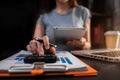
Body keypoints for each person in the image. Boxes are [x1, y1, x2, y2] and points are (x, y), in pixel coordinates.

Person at [26, 0, 91, 56]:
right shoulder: (43, 16)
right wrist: (34, 46)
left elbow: (88, 45)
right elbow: (36, 42)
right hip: (52, 58)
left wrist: (83, 44)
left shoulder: (84, 12)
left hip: (79, 59)